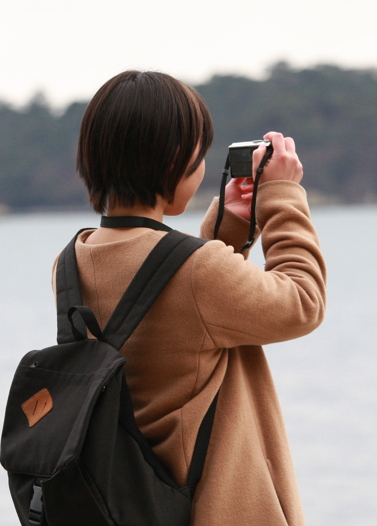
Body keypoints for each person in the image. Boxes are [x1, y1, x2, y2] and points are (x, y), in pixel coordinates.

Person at [56, 70, 327, 525]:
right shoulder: (199, 274)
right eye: (199, 154)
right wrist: (282, 196)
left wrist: (231, 223)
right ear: (174, 162)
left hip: (138, 503)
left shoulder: (73, 260)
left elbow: (172, 301)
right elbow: (302, 303)